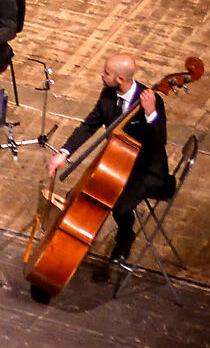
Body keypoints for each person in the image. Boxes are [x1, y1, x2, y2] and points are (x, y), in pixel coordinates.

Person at [48, 54, 173, 275]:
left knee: (120, 207)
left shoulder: (152, 100)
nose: (102, 75)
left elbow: (159, 142)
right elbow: (89, 125)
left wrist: (150, 113)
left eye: (106, 73)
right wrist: (64, 153)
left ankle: (125, 237)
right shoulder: (108, 94)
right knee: (81, 193)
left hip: (146, 170)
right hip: (118, 164)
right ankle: (73, 242)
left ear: (120, 79)